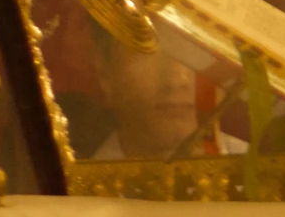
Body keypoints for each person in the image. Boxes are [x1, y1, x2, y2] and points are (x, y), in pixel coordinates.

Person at [85, 25, 245, 160]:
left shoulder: (266, 183)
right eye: (147, 49)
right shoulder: (76, 194)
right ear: (104, 70)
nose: (177, 80)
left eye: (200, 49)